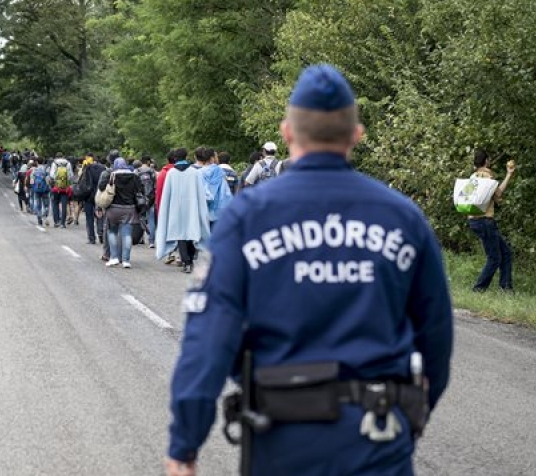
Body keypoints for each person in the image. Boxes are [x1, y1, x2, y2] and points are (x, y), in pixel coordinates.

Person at [165, 64, 454, 476]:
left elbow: (208, 340)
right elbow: (437, 338)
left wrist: (185, 444)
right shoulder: (402, 218)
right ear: (356, 134)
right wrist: (414, 415)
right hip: (378, 438)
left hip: (283, 439)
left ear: (287, 133)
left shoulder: (248, 218)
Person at [155, 147, 211, 274]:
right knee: (191, 233)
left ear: (175, 158)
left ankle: (186, 262)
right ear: (186, 157)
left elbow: (166, 195)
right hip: (192, 208)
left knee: (180, 235)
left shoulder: (171, 173)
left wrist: (165, 211)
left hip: (176, 209)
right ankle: (190, 260)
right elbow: (200, 193)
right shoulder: (195, 173)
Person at [467, 149, 516, 292]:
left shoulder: (472, 177)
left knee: (505, 253)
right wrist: (509, 174)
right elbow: (498, 195)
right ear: (486, 161)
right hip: (485, 221)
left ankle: (506, 287)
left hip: (474, 221)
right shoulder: (488, 177)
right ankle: (478, 289)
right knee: (494, 258)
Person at [98, 158, 141, 268]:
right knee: (127, 234)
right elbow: (140, 191)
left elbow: (101, 187)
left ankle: (114, 257)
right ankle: (126, 260)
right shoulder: (134, 176)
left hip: (113, 209)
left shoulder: (112, 175)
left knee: (112, 232)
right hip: (129, 209)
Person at [82, 153, 106, 244]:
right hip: (99, 194)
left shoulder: (87, 167)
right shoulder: (102, 168)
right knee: (100, 215)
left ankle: (91, 238)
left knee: (89, 217)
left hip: (88, 194)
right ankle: (101, 233)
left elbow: (82, 181)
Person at [135, 155, 158, 248]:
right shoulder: (152, 171)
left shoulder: (137, 171)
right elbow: (155, 185)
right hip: (151, 198)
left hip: (140, 198)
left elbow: (135, 185)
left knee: (141, 218)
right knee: (151, 220)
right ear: (148, 162)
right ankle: (151, 241)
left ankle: (140, 238)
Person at [49, 153, 74, 228]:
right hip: (65, 188)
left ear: (56, 157)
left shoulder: (54, 163)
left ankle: (56, 222)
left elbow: (52, 175)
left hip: (56, 188)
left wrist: (57, 180)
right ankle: (63, 223)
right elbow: (70, 176)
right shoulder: (68, 163)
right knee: (64, 205)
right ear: (63, 156)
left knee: (55, 204)